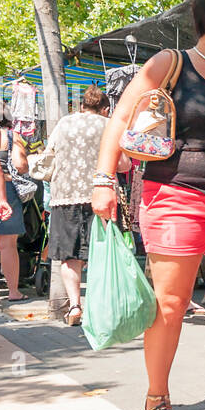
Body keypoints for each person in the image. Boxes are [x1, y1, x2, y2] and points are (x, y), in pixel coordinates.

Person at [92, 0, 205, 410]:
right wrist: (104, 180)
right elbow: (121, 118)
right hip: (175, 195)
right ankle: (156, 395)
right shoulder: (172, 63)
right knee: (171, 302)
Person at [48, 85, 120, 325]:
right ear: (105, 108)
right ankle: (101, 306)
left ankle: (75, 306)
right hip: (100, 195)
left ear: (81, 106)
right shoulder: (108, 125)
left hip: (64, 195)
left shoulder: (64, 123)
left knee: (69, 256)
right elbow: (124, 164)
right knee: (101, 252)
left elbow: (49, 154)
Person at [0, 108, 29, 304]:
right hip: (7, 189)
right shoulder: (11, 136)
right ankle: (13, 291)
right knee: (8, 244)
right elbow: (20, 164)